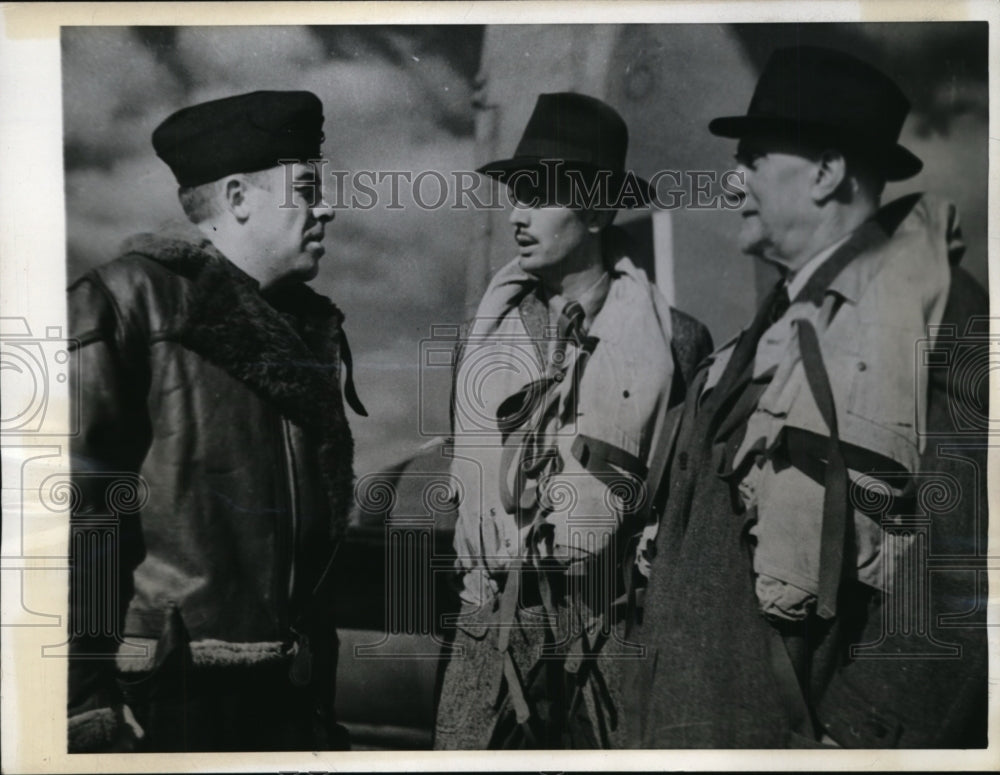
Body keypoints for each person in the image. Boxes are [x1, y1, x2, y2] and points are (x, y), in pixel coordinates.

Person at [630, 46, 989, 748]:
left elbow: (965, 562)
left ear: (826, 173)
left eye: (754, 159)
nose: (733, 185)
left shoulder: (944, 316)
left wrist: (857, 736)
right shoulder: (748, 346)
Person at [66, 90, 367, 752]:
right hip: (169, 701)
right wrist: (83, 705)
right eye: (308, 188)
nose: (329, 207)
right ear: (237, 198)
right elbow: (66, 513)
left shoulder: (303, 327)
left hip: (288, 700)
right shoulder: (127, 303)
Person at [433, 92, 713, 749]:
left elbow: (680, 511)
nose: (517, 215)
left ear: (594, 206)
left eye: (538, 195)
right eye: (515, 194)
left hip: (609, 647)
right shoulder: (478, 340)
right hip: (488, 642)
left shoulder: (677, 342)